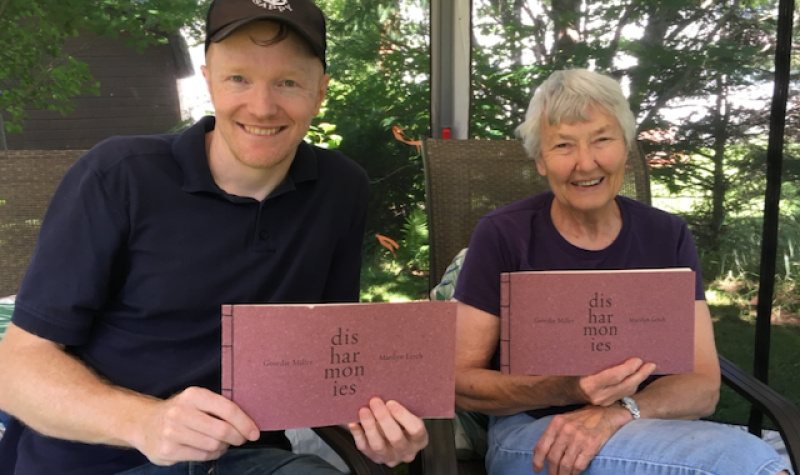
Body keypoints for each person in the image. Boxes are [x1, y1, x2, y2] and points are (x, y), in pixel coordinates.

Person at [0, 0, 428, 473]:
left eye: (287, 81)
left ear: (320, 91)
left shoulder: (341, 188)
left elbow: (322, 356)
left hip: (247, 458)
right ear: (208, 80)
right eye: (239, 78)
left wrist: (374, 425)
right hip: (98, 458)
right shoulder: (119, 175)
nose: (262, 107)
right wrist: (144, 421)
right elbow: (17, 367)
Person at [453, 69, 791, 475]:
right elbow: (458, 380)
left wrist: (620, 412)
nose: (585, 163)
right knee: (742, 463)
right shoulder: (504, 234)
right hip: (534, 431)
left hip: (652, 425)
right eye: (563, 145)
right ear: (540, 160)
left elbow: (703, 386)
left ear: (627, 147)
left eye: (602, 139)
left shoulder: (666, 235)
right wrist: (563, 388)